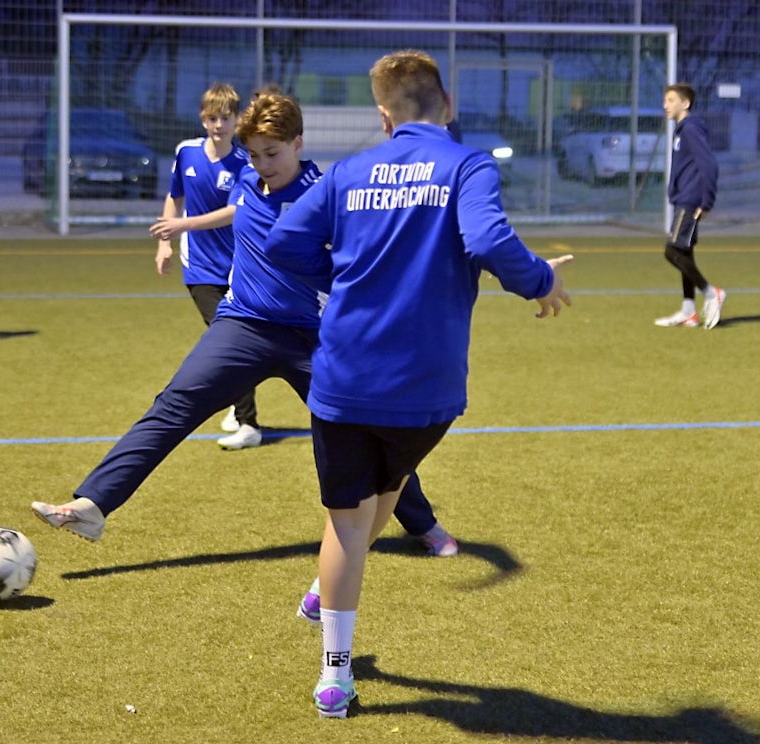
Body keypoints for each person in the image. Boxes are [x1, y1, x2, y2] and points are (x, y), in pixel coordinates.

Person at [264, 49, 573, 719]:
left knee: (348, 519)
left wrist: (338, 279)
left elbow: (284, 242)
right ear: (449, 105)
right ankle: (326, 604)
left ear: (383, 116)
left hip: (344, 376)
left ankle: (335, 677)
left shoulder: (347, 174)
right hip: (425, 388)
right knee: (389, 484)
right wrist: (541, 280)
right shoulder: (467, 164)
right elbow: (489, 241)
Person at [31, 87, 458, 561]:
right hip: (244, 326)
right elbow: (240, 208)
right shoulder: (246, 179)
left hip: (314, 338)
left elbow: (366, 255)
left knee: (368, 432)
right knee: (173, 405)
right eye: (253, 154)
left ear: (298, 143)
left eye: (272, 153)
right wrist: (181, 229)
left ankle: (424, 525)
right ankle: (93, 505)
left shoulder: (328, 193)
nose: (262, 164)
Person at [155, 82, 260, 450]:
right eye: (213, 118)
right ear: (203, 120)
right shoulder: (186, 153)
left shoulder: (245, 162)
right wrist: (165, 244)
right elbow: (175, 196)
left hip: (237, 266)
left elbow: (232, 213)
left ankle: (245, 417)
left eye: (226, 118)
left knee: (233, 340)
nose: (219, 125)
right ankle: (246, 418)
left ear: (236, 120)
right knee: (228, 337)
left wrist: (181, 225)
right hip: (198, 267)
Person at [654, 82, 723, 330]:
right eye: (665, 100)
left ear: (686, 103)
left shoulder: (691, 129)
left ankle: (711, 292)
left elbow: (710, 166)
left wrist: (707, 202)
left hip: (691, 200)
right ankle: (688, 312)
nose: (666, 105)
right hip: (684, 197)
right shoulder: (682, 130)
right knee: (684, 253)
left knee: (671, 252)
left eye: (671, 100)